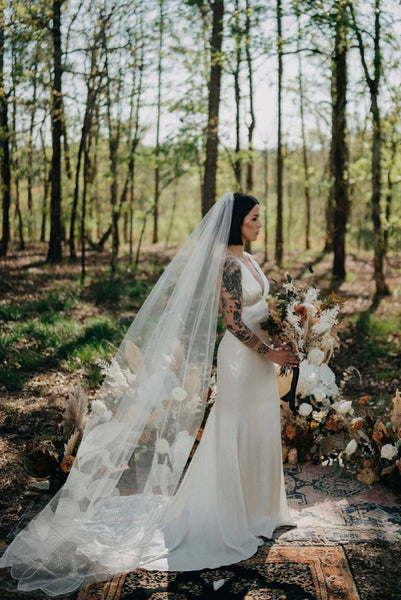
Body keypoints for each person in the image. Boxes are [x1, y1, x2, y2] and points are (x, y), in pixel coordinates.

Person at [0, 192, 298, 595]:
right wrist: (271, 351)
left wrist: (286, 333)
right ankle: (230, 515)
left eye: (261, 218)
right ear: (237, 223)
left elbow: (262, 310)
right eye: (255, 219)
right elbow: (232, 322)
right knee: (234, 429)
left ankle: (262, 510)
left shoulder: (249, 259)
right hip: (242, 361)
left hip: (262, 359)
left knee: (260, 427)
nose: (260, 225)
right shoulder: (228, 265)